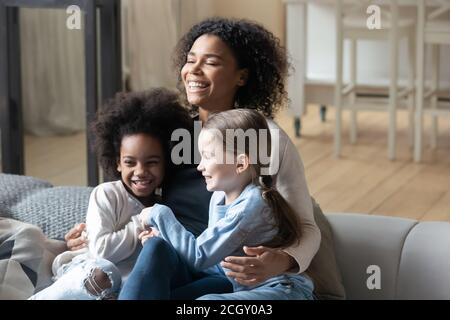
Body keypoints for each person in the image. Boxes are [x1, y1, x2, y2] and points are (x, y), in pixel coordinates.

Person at [65, 17, 321, 294]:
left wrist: (282, 261)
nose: (193, 71)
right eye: (190, 60)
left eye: (210, 62)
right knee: (155, 250)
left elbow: (305, 225)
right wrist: (93, 232)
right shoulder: (172, 131)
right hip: (174, 255)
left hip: (229, 271)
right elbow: (137, 191)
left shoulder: (264, 139)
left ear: (242, 76)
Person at [30, 88, 230, 299]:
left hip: (125, 287)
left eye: (152, 162)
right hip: (92, 273)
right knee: (104, 273)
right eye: (130, 162)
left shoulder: (165, 201)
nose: (141, 171)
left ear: (165, 163)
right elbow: (101, 250)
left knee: (219, 284)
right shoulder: (107, 194)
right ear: (117, 163)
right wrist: (143, 221)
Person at [119, 109, 315, 300]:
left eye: (209, 156)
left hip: (284, 290)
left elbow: (200, 255)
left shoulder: (253, 204)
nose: (200, 166)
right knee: (158, 249)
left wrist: (158, 213)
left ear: (241, 164)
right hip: (235, 284)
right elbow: (212, 260)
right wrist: (165, 236)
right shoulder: (219, 197)